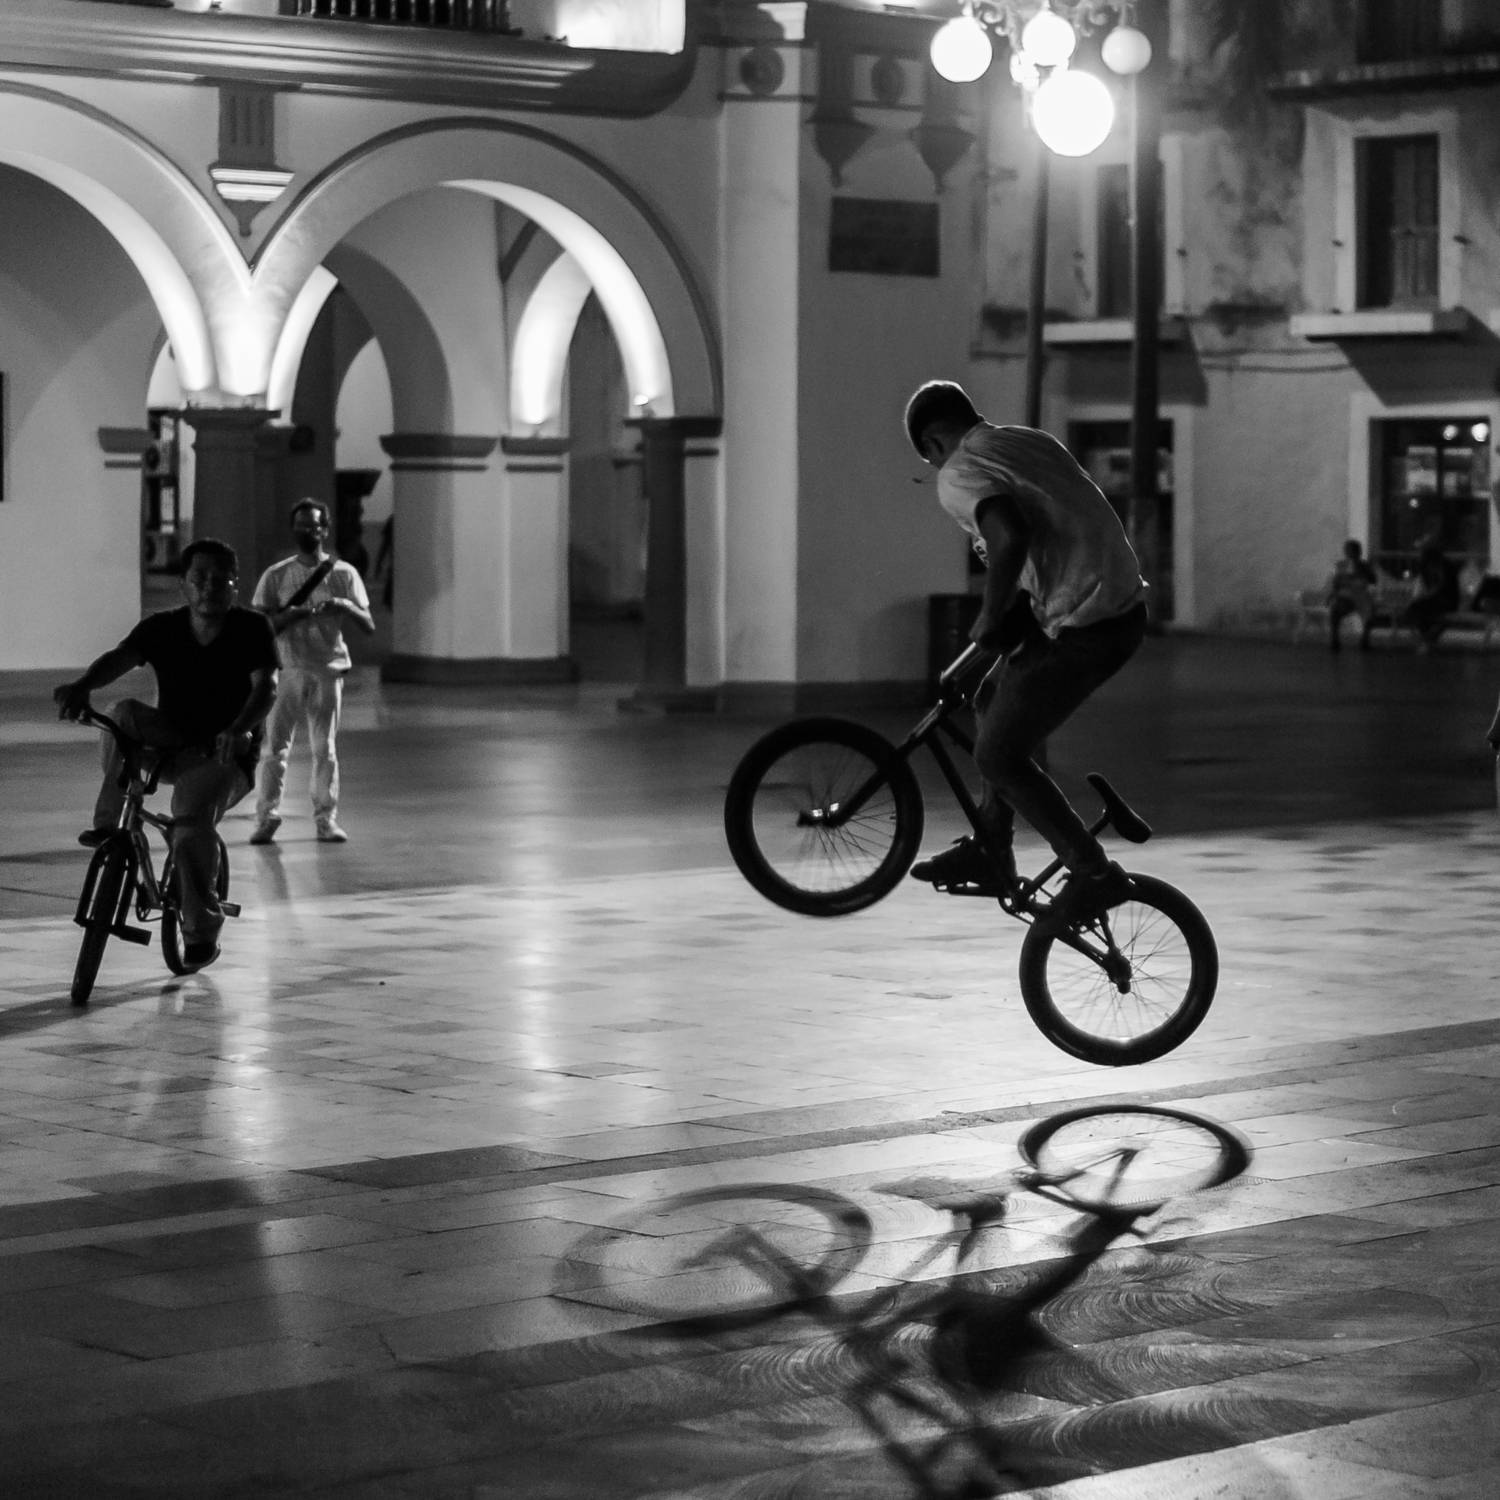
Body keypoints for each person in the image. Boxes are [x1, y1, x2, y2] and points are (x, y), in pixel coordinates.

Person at [903, 380, 1149, 921]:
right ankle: (992, 849)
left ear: (934, 443)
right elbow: (1047, 541)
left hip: (1086, 622)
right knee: (991, 699)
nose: (935, 471)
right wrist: (983, 648)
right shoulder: (1029, 442)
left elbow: (1009, 537)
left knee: (996, 755)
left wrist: (989, 614)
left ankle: (1094, 873)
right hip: (1112, 607)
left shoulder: (958, 472)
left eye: (929, 461)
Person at [53, 538, 277, 971]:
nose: (209, 587)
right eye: (200, 578)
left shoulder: (252, 629)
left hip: (223, 754)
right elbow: (120, 658)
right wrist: (82, 687)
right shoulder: (163, 628)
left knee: (189, 829)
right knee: (121, 714)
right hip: (171, 741)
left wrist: (238, 728)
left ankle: (201, 931)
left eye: (220, 579)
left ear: (235, 584)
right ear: (183, 584)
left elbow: (266, 686)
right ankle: (109, 825)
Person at [249, 498, 375, 845]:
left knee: (325, 748)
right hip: (287, 667)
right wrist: (290, 616)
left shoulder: (343, 574)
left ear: (325, 529)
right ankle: (266, 816)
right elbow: (260, 627)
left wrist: (344, 605)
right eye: (301, 525)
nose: (307, 531)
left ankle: (326, 818)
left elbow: (368, 624)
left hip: (327, 668)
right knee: (275, 748)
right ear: (293, 529)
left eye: (313, 526)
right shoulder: (276, 575)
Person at [1400, 538, 1459, 653]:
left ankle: (1427, 639)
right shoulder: (1426, 566)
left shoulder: (1444, 566)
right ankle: (1427, 639)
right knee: (1419, 611)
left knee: (1421, 609)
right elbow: (1428, 586)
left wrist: (1426, 596)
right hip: (1434, 598)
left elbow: (1441, 586)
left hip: (1446, 599)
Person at [1326, 538, 1377, 652]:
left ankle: (1365, 640)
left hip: (1362, 596)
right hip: (1345, 597)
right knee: (1335, 610)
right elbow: (1335, 582)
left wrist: (1363, 571)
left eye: (1354, 551)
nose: (1351, 553)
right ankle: (1335, 640)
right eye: (1348, 551)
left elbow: (1373, 580)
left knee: (1370, 612)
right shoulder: (1340, 565)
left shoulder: (1365, 565)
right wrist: (1332, 595)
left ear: (1359, 552)